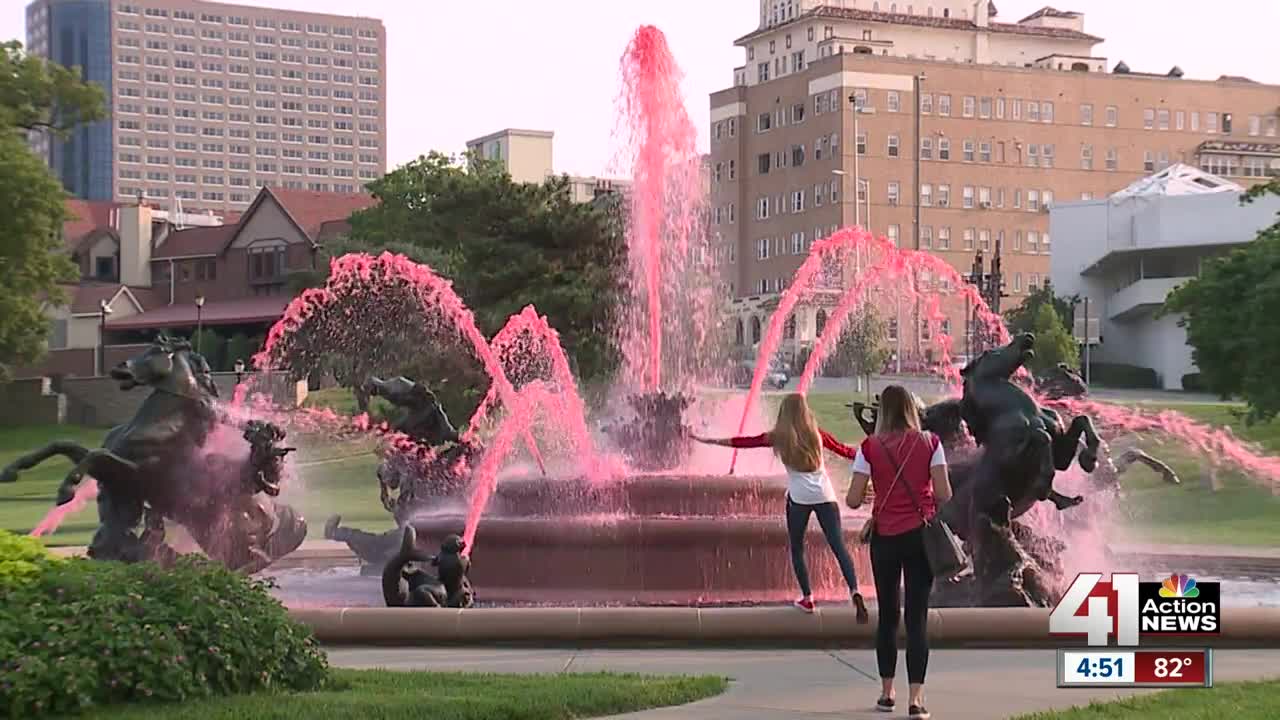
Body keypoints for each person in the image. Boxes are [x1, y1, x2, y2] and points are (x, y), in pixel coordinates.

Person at [693, 393, 869, 622]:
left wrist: (710, 441)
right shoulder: (817, 435)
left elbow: (745, 442)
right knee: (838, 547)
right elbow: (845, 452)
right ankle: (854, 590)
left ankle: (807, 597)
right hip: (826, 496)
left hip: (799, 499)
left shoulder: (779, 437)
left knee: (797, 548)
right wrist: (872, 455)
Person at [845, 385, 952, 720]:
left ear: (883, 413)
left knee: (888, 617)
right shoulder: (931, 443)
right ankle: (916, 701)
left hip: (885, 539)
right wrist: (923, 501)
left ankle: (886, 693)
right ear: (911, 409)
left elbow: (851, 499)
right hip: (920, 538)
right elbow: (945, 493)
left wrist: (875, 494)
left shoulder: (869, 447)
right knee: (916, 618)